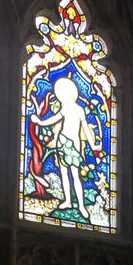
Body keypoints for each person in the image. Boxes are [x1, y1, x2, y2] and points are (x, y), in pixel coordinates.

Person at [31, 77, 101, 219]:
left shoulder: (79, 110)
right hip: (61, 142)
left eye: (61, 94)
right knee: (64, 173)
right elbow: (54, 119)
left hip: (74, 145)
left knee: (76, 175)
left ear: (69, 93)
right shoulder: (64, 108)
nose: (60, 97)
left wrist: (93, 145)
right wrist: (40, 122)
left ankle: (81, 205)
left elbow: (86, 129)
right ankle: (68, 200)